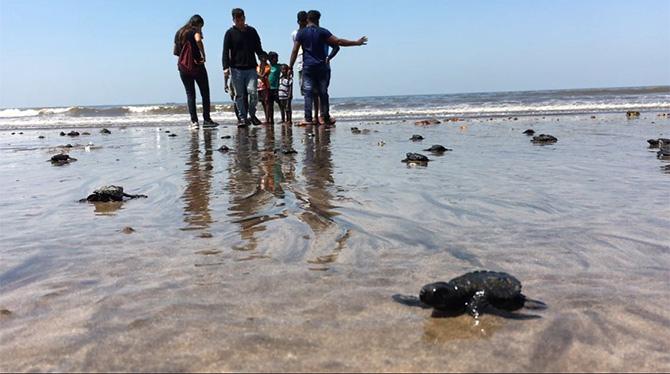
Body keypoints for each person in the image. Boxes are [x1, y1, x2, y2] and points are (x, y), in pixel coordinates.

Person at [289, 10, 367, 126]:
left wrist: (290, 66)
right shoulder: (323, 32)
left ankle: (308, 119)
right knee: (323, 92)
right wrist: (356, 42)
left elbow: (295, 50)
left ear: (307, 19)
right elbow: (338, 42)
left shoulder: (301, 33)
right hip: (322, 67)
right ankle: (325, 117)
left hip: (308, 67)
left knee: (308, 93)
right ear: (317, 20)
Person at [222, 8, 267, 127]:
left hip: (251, 68)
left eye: (242, 19)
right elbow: (225, 52)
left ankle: (252, 114)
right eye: (237, 20)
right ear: (233, 20)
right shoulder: (230, 33)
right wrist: (225, 68)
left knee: (253, 93)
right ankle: (242, 117)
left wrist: (263, 58)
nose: (240, 22)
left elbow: (259, 48)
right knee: (239, 95)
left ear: (244, 18)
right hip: (236, 69)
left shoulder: (252, 31)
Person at [173, 15, 219, 128]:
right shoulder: (194, 31)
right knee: (205, 93)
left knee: (190, 94)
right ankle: (207, 120)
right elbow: (198, 39)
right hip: (197, 66)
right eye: (201, 26)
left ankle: (194, 122)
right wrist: (203, 53)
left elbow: (175, 51)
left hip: (183, 67)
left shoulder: (179, 32)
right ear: (198, 24)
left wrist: (184, 58)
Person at [266, 52, 282, 125]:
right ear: (270, 59)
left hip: (276, 88)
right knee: (270, 105)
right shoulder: (268, 67)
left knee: (280, 104)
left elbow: (287, 69)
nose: (277, 59)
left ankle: (283, 118)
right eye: (276, 58)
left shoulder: (279, 66)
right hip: (268, 88)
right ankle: (270, 120)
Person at [257, 55, 271, 124]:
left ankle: (267, 119)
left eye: (265, 58)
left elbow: (263, 75)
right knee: (263, 103)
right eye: (262, 58)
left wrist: (258, 74)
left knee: (266, 102)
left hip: (265, 86)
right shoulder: (257, 67)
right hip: (258, 86)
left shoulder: (267, 67)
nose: (264, 59)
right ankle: (266, 118)